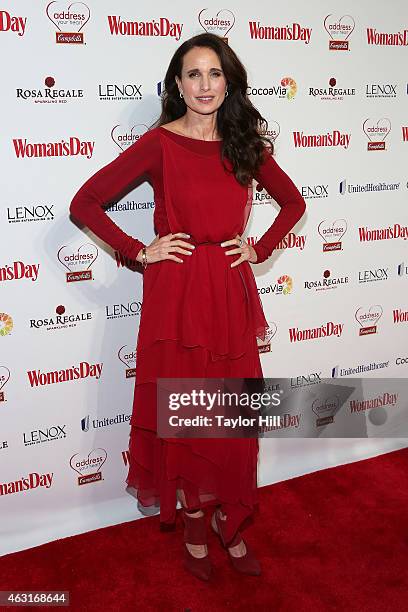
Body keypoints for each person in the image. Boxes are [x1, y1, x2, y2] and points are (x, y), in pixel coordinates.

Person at [70, 32, 306, 581]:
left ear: (230, 81)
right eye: (193, 74)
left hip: (227, 289)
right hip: (175, 295)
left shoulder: (244, 142)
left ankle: (230, 516)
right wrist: (137, 251)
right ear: (177, 84)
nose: (205, 85)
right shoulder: (160, 143)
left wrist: (259, 247)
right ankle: (196, 521)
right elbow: (86, 201)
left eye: (215, 74)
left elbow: (294, 203)